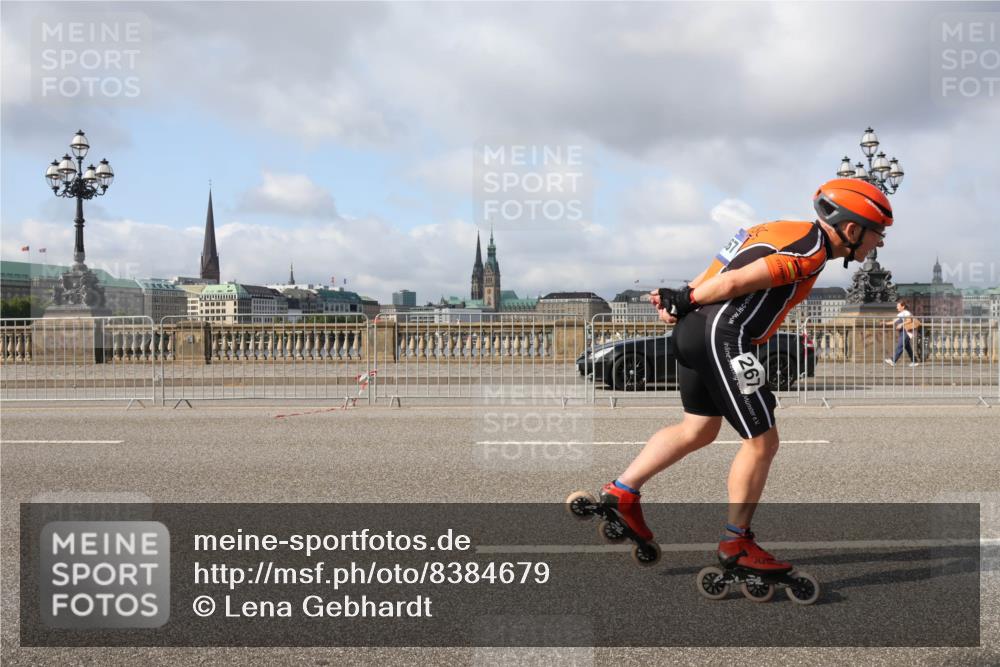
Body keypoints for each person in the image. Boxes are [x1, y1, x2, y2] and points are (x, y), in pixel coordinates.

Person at [598, 178, 892, 573]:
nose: (880, 243)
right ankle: (737, 541)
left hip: (692, 330)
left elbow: (721, 264)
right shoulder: (812, 253)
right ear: (852, 229)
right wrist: (687, 297)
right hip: (725, 338)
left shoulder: (774, 227)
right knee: (762, 441)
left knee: (698, 429)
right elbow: (738, 280)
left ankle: (622, 492)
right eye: (879, 233)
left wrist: (682, 297)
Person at [884, 300, 920, 367]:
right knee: (907, 347)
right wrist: (885, 323)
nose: (897, 307)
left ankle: (893, 360)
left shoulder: (906, 312)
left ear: (903, 306)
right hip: (902, 332)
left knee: (900, 346)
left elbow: (909, 320)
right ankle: (914, 361)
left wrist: (901, 324)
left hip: (906, 332)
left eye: (898, 306)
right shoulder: (900, 314)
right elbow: (894, 321)